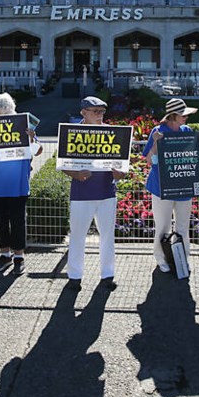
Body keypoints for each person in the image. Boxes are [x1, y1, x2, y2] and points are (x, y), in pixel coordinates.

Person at [62, 96, 125, 290]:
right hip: (81, 194)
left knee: (107, 236)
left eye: (102, 112)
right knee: (78, 236)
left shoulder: (112, 133)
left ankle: (107, 275)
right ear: (83, 112)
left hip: (107, 192)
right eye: (95, 111)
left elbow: (122, 170)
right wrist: (76, 174)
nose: (99, 115)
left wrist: (118, 173)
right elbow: (63, 165)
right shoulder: (73, 133)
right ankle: (74, 276)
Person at [0, 92, 42, 276]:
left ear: (3, 107)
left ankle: (18, 256)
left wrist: (32, 138)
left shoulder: (23, 123)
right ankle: (5, 254)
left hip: (18, 183)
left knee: (18, 221)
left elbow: (39, 150)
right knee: (0, 221)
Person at [142, 98, 198, 274]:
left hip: (183, 186)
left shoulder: (187, 131)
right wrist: (157, 144)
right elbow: (151, 160)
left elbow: (193, 159)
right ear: (173, 116)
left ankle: (183, 259)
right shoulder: (157, 131)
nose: (186, 118)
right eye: (183, 115)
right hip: (161, 187)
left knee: (183, 227)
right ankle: (161, 259)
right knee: (163, 226)